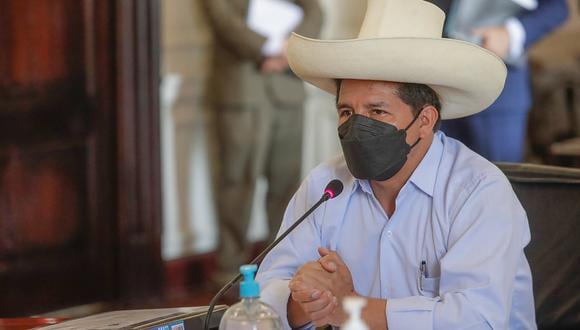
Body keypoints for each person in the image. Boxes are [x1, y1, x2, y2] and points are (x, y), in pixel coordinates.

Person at [256, 0, 536, 329]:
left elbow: (475, 319)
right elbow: (265, 293)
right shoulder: (326, 186)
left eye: (377, 112)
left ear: (425, 121)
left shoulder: (478, 191)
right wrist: (310, 301)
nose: (357, 127)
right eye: (347, 112)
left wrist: (349, 308)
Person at [201, 0, 321, 282]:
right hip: (242, 88)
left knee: (287, 184)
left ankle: (280, 270)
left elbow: (315, 11)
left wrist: (286, 53)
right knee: (236, 182)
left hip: (288, 88)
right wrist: (266, 48)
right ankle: (228, 272)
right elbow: (222, 18)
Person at [436, 0, 569, 162]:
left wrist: (511, 34)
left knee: (500, 174)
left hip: (497, 86)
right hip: (438, 82)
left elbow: (557, 7)